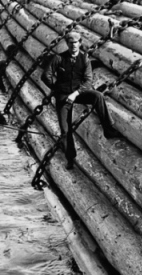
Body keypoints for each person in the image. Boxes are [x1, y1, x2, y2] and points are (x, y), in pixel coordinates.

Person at [41, 30, 122, 170]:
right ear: (67, 43)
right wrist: (56, 89)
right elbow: (45, 76)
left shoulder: (84, 59)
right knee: (65, 130)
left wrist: (76, 93)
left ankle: (108, 129)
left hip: (78, 93)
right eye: (71, 43)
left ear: (80, 43)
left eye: (76, 42)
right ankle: (70, 158)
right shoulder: (58, 58)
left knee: (97, 96)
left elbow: (88, 81)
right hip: (63, 96)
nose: (73, 45)